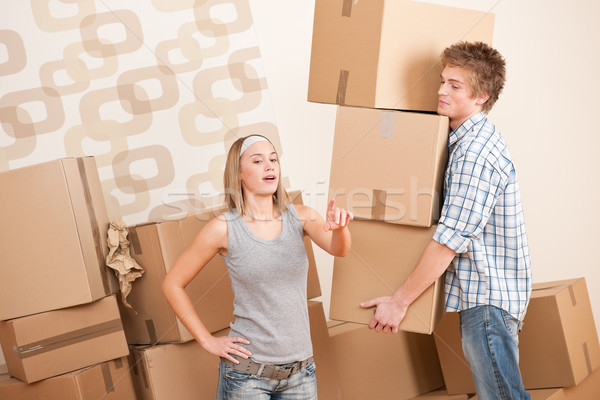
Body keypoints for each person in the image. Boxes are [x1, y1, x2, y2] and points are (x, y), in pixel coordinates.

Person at [360, 41, 532, 400]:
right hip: (489, 301)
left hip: (488, 302)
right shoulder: (462, 141)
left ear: (482, 96)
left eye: (454, 86)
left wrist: (399, 301)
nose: (440, 91)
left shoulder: (474, 154)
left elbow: (449, 240)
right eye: (442, 81)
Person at [162, 134, 353, 400]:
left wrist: (341, 229)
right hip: (246, 377)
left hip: (300, 373)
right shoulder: (223, 228)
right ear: (238, 173)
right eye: (258, 160)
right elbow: (172, 284)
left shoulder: (301, 215)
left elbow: (339, 249)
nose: (269, 165)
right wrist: (206, 339)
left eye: (273, 159)